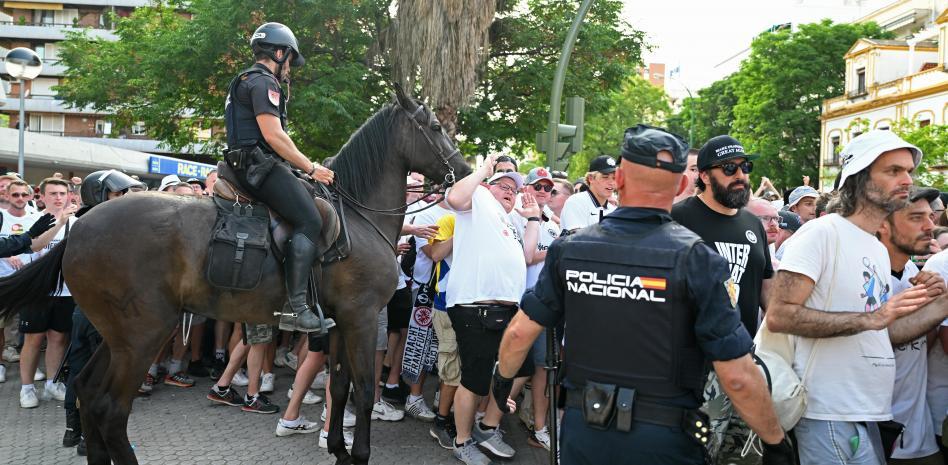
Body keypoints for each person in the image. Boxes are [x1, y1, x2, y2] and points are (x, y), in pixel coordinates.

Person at [493, 124, 792, 465]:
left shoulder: (570, 249)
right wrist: (776, 441)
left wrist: (502, 382)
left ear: (618, 179)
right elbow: (737, 375)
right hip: (664, 440)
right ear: (682, 184)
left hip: (584, 432)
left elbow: (519, 333)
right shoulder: (698, 259)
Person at [768, 130, 948, 465]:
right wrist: (873, 318)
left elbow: (881, 334)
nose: (907, 179)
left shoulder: (874, 248)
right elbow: (781, 315)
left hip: (865, 413)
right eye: (893, 171)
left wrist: (941, 303)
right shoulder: (822, 233)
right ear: (860, 177)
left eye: (908, 170)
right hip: (826, 411)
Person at [223, 22, 334, 332]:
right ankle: (297, 308)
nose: (290, 71)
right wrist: (312, 168)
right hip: (259, 169)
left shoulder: (244, 80)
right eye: (289, 63)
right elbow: (275, 137)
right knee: (310, 220)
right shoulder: (264, 83)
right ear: (280, 52)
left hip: (244, 165)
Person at [443, 159, 538, 465]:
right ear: (488, 187)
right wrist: (483, 172)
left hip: (508, 308)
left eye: (515, 188)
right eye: (504, 185)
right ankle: (461, 440)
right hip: (475, 306)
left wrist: (534, 218)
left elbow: (526, 256)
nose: (511, 191)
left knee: (520, 369)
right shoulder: (479, 200)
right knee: (475, 379)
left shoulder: (508, 220)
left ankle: (488, 427)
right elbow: (455, 198)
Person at [672, 135, 772, 335]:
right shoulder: (677, 218)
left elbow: (766, 287)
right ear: (705, 176)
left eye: (745, 167)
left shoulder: (753, 224)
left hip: (743, 355)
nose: (740, 175)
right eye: (728, 168)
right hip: (691, 357)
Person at [878, 186, 945, 464]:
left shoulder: (912, 273)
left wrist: (932, 307)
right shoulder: (866, 274)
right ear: (883, 224)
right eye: (917, 218)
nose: (930, 226)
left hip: (919, 433)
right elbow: (873, 341)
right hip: (876, 433)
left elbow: (919, 349)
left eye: (931, 216)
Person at [19, 178, 79, 409]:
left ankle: (53, 383)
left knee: (58, 338)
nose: (58, 198)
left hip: (66, 291)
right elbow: (33, 249)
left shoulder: (77, 222)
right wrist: (57, 223)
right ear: (41, 197)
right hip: (37, 291)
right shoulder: (32, 220)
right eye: (52, 193)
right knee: (33, 339)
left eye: (62, 193)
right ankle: (26, 388)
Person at [559, 155, 618, 232]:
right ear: (591, 178)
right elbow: (579, 239)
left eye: (614, 178)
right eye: (605, 177)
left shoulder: (613, 210)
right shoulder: (576, 202)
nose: (611, 182)